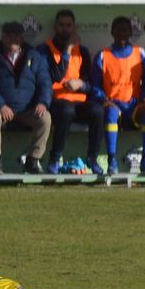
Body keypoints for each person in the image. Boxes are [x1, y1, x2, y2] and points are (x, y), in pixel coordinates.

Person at [0, 19, 52, 176]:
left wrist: (42, 102)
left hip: (28, 109)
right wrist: (1, 105)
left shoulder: (34, 56)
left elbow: (45, 83)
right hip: (2, 108)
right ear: (2, 37)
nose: (13, 39)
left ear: (22, 38)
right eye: (9, 35)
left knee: (45, 118)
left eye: (17, 35)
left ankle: (33, 161)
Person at [89, 16, 145, 177]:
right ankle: (112, 160)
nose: (121, 33)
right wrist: (103, 98)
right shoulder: (103, 55)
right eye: (118, 30)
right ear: (112, 32)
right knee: (110, 112)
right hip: (114, 106)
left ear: (131, 32)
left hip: (134, 106)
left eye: (125, 30)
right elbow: (94, 84)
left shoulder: (141, 53)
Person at [36, 10, 98, 174]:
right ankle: (55, 159)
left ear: (74, 27)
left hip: (79, 102)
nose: (65, 29)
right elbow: (55, 76)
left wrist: (82, 85)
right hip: (56, 102)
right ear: (55, 27)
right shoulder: (44, 49)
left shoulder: (83, 51)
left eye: (68, 25)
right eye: (61, 25)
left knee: (98, 111)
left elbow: (92, 85)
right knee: (66, 110)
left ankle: (92, 159)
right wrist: (68, 49)